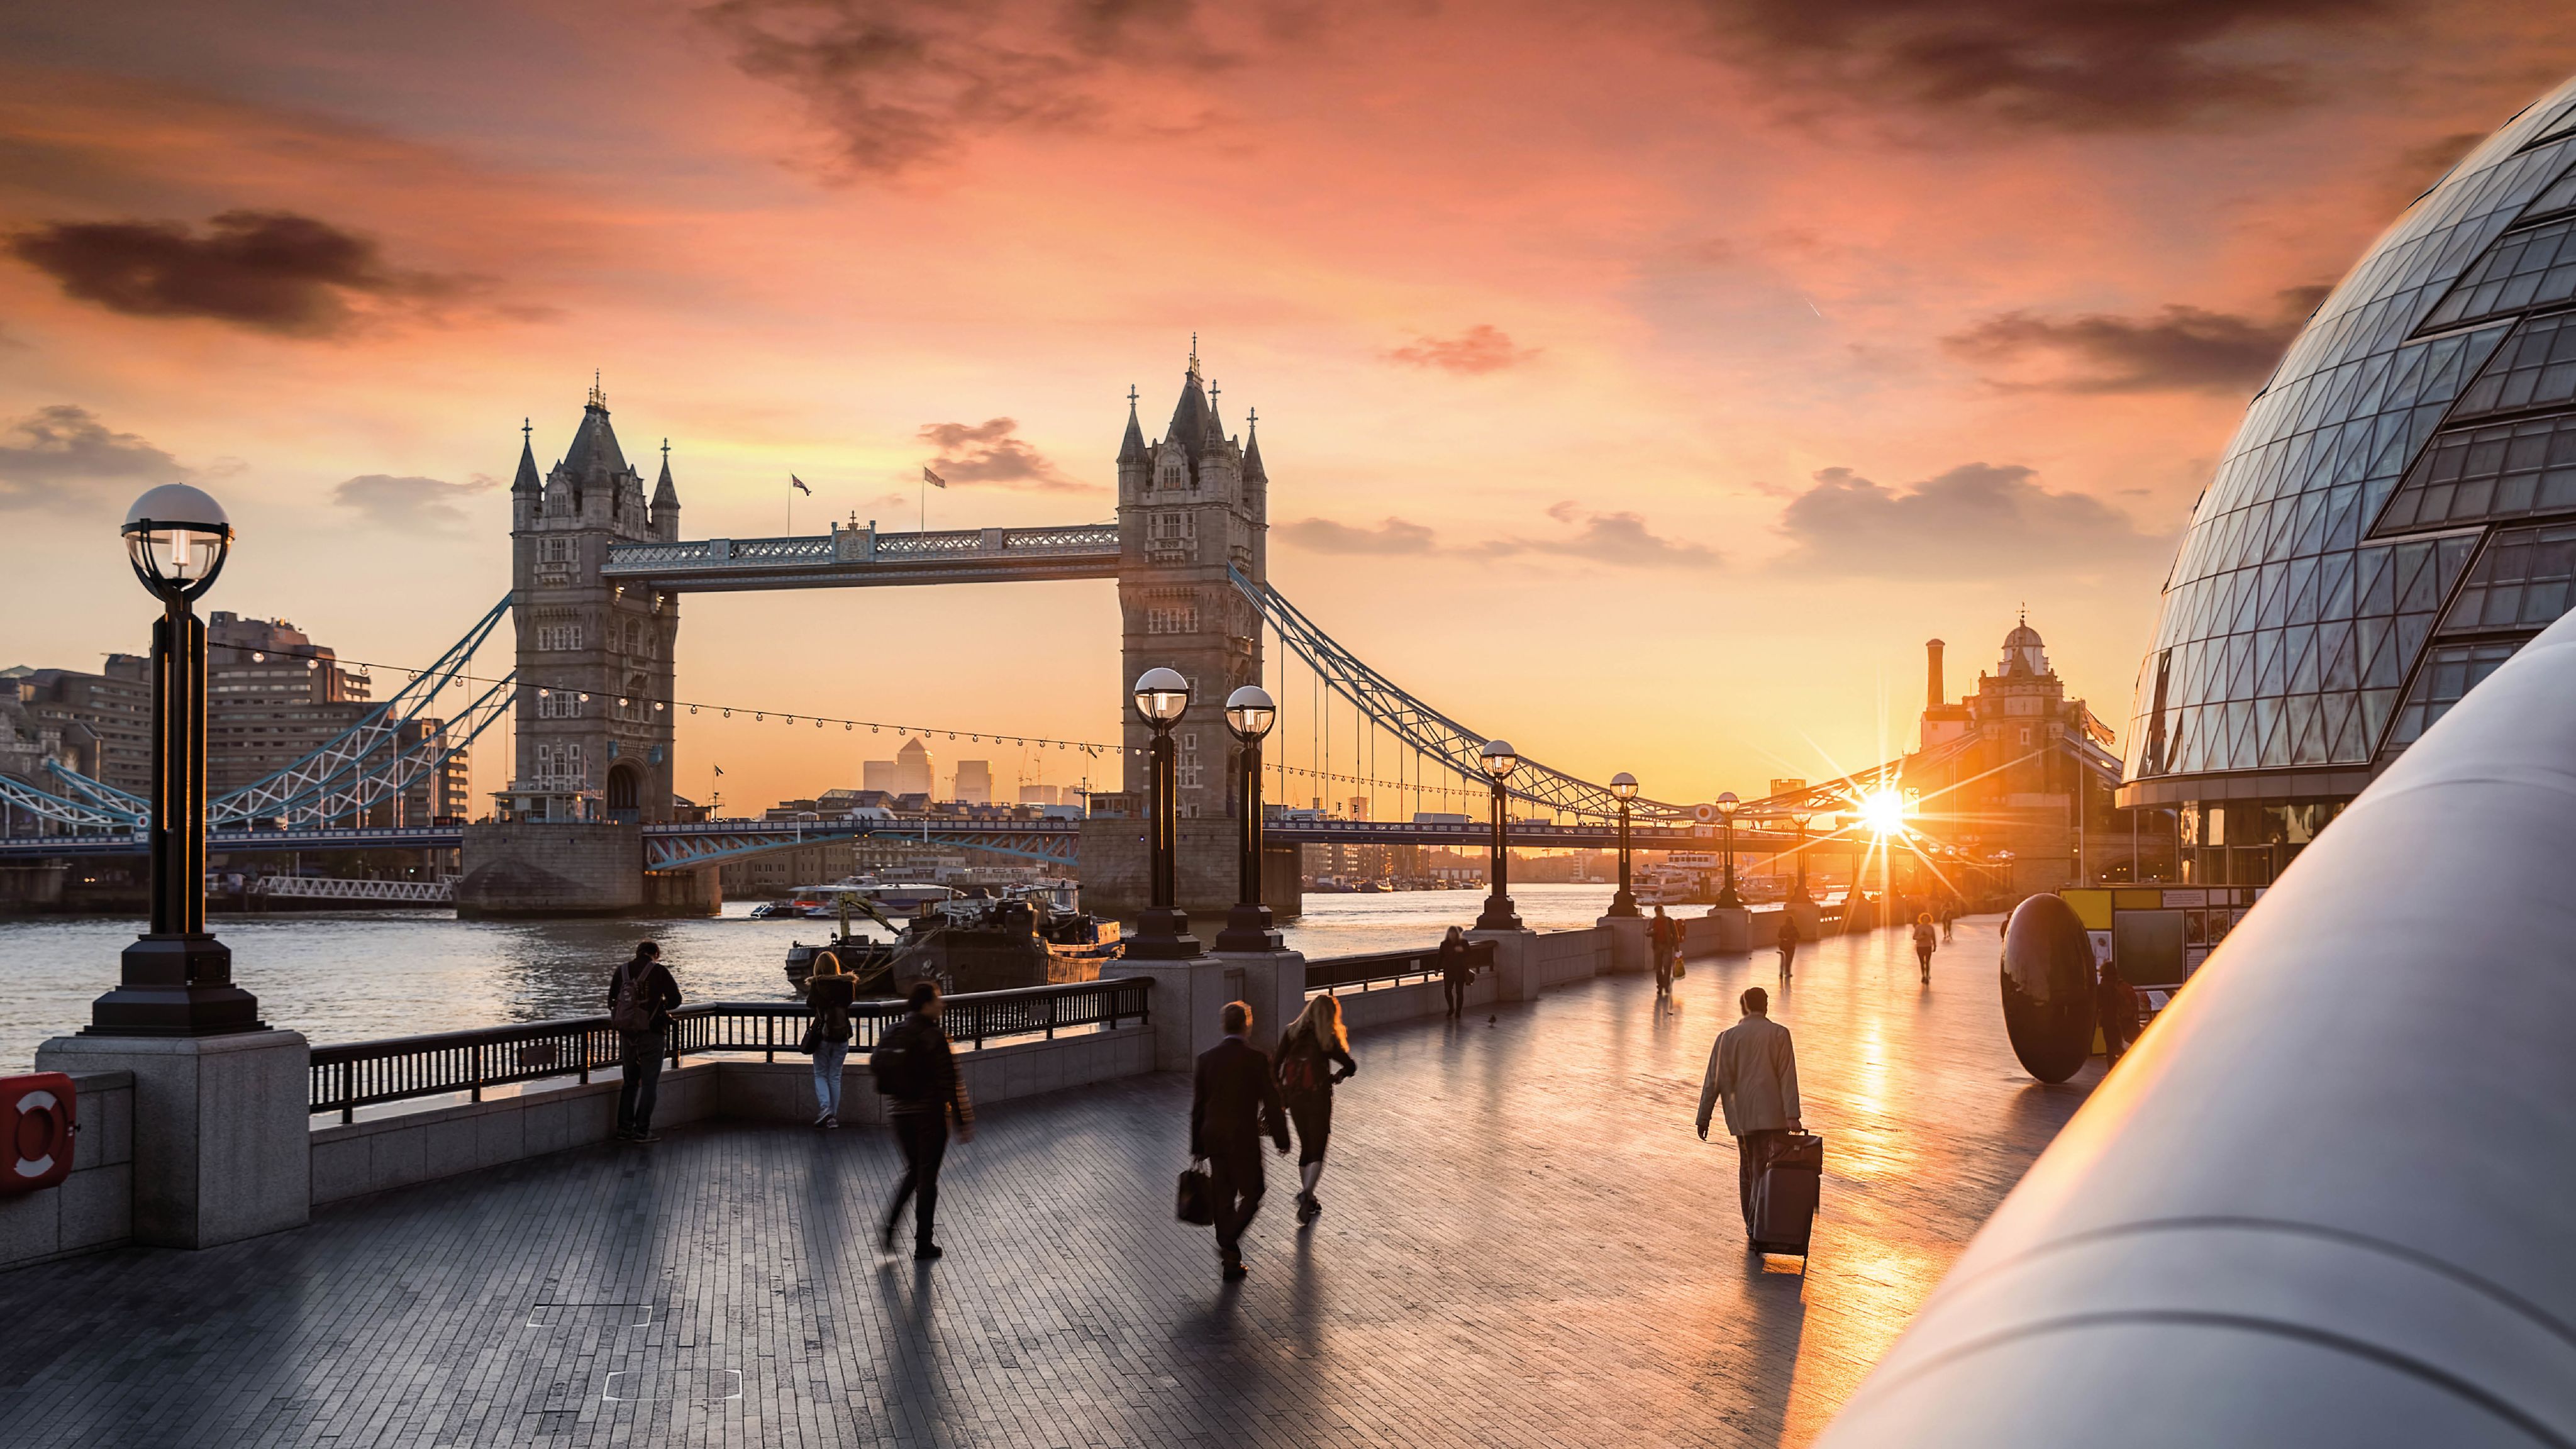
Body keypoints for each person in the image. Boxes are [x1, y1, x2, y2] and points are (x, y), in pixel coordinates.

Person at [1190, 999, 1291, 1279]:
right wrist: (1282, 1138)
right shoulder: (1257, 1059)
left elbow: (1198, 1106)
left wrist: (1197, 1146)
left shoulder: (1206, 1059)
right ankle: (1229, 1240)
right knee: (1254, 1191)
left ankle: (1231, 1261)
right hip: (1243, 1138)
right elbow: (1273, 1103)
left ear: (1224, 1026)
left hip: (1214, 1137)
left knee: (1223, 1196)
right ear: (1247, 1025)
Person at [1696, 985, 1802, 1241]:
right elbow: (1787, 1077)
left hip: (1741, 1118)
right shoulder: (1779, 1034)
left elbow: (1714, 1080)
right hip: (1773, 1116)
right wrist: (1793, 1115)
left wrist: (1704, 1116)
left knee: (1748, 1168)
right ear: (1766, 1005)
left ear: (1745, 1005)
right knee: (1764, 1168)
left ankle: (1751, 1224)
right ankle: (1759, 1223)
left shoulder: (1727, 1038)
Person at [880, 980, 974, 1260]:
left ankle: (891, 1225)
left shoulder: (893, 1031)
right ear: (925, 1004)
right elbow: (951, 1084)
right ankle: (923, 1244)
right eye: (937, 999)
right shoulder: (934, 1036)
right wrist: (962, 1120)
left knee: (914, 1170)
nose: (942, 1004)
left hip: (899, 1115)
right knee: (927, 1177)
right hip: (929, 1116)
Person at [1274, 995, 1358, 1224]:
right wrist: (1338, 1076)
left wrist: (1281, 1092)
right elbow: (1351, 1066)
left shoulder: (1292, 1032)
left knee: (1306, 1147)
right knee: (1318, 1150)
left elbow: (1276, 1065)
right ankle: (1307, 1194)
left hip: (1296, 1098)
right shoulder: (1326, 1037)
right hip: (1319, 1098)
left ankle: (1309, 1200)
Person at [606, 941, 681, 1143]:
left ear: (637, 953)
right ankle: (642, 1132)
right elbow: (676, 1000)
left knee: (630, 1083)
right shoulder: (659, 971)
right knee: (649, 1085)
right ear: (656, 954)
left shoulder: (622, 971)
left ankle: (624, 1130)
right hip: (652, 1033)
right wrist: (659, 1004)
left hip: (628, 1035)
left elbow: (611, 1001)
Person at [806, 949, 857, 1128]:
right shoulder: (847, 984)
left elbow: (810, 1004)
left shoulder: (817, 984)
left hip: (822, 1036)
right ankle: (832, 1118)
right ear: (836, 966)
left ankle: (825, 1108)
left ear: (818, 967)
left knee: (821, 1074)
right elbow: (849, 1002)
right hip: (842, 1034)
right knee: (835, 1075)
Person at [2097, 958, 2140, 1069]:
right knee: (2118, 1046)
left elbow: (2098, 1004)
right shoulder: (2122, 986)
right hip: (2125, 1020)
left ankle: (2115, 1071)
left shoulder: (2103, 988)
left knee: (2112, 1048)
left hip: (2110, 1021)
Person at [1438, 926, 1474, 1019]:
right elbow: (1440, 957)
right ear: (1448, 934)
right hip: (1448, 971)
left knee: (1459, 992)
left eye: (1454, 933)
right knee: (1447, 991)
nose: (1452, 935)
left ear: (1457, 934)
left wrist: (1463, 951)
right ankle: (1451, 1008)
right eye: (1450, 933)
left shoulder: (1463, 943)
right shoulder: (1444, 944)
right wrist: (1437, 969)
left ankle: (1458, 1011)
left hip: (1460, 970)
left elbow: (1470, 954)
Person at [1649, 905, 1680, 998]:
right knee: (1658, 968)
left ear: (1663, 911)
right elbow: (1647, 932)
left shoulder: (1669, 921)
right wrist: (1653, 932)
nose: (1658, 914)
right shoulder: (1653, 921)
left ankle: (1666, 986)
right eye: (1657, 912)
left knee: (1667, 967)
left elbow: (1675, 934)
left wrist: (1677, 948)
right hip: (1657, 946)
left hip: (1667, 946)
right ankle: (1660, 986)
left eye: (1660, 912)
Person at [1913, 911, 1938, 984]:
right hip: (1920, 946)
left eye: (1927, 919)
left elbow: (1933, 937)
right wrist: (1920, 937)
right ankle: (1923, 975)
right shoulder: (1918, 927)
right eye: (1924, 919)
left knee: (1927, 962)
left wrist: (1935, 945)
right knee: (1922, 962)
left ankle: (1927, 975)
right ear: (1922, 919)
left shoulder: (1931, 928)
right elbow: (1914, 937)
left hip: (1928, 946)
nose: (1925, 920)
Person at [1776, 910, 1800, 978]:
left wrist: (1784, 938)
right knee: (1789, 960)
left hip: (1783, 946)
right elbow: (1798, 936)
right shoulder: (1794, 928)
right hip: (1791, 946)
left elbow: (1779, 936)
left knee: (1783, 960)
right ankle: (1787, 972)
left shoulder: (1782, 928)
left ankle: (1781, 972)